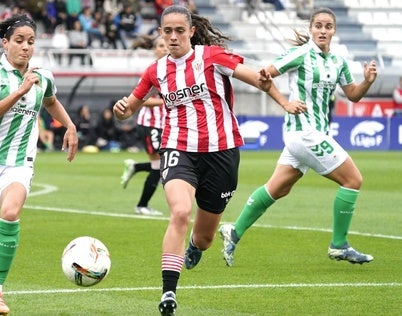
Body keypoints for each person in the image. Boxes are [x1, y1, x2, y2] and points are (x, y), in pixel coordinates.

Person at [112, 6, 301, 315]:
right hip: (178, 148)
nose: (173, 37)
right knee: (180, 212)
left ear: (191, 32)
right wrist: (123, 109)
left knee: (204, 238)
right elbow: (130, 107)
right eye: (167, 31)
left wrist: (284, 102)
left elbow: (258, 79)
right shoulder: (155, 70)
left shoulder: (211, 57)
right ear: (161, 33)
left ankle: (195, 248)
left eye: (179, 31)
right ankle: (168, 293)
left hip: (222, 152)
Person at [218, 7, 377, 268]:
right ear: (311, 29)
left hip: (309, 135)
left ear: (334, 30)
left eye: (328, 26)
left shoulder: (339, 62)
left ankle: (233, 232)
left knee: (278, 188)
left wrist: (368, 82)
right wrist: (285, 103)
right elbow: (263, 76)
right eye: (318, 26)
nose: (323, 30)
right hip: (304, 132)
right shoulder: (301, 54)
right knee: (353, 179)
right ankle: (339, 245)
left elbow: (353, 95)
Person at [0, 14, 78, 316]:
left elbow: (49, 101)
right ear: (5, 43)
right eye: (19, 41)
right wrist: (20, 91)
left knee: (10, 213)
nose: (26, 47)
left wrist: (70, 125)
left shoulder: (42, 75)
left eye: (31, 42)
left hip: (19, 162)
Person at [120, 35, 168, 216]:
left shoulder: (174, 70)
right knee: (160, 166)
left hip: (164, 126)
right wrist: (164, 102)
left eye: (166, 46)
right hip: (150, 125)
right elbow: (138, 100)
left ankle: (136, 167)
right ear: (155, 50)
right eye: (161, 46)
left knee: (165, 165)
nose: (165, 49)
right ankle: (141, 205)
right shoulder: (152, 71)